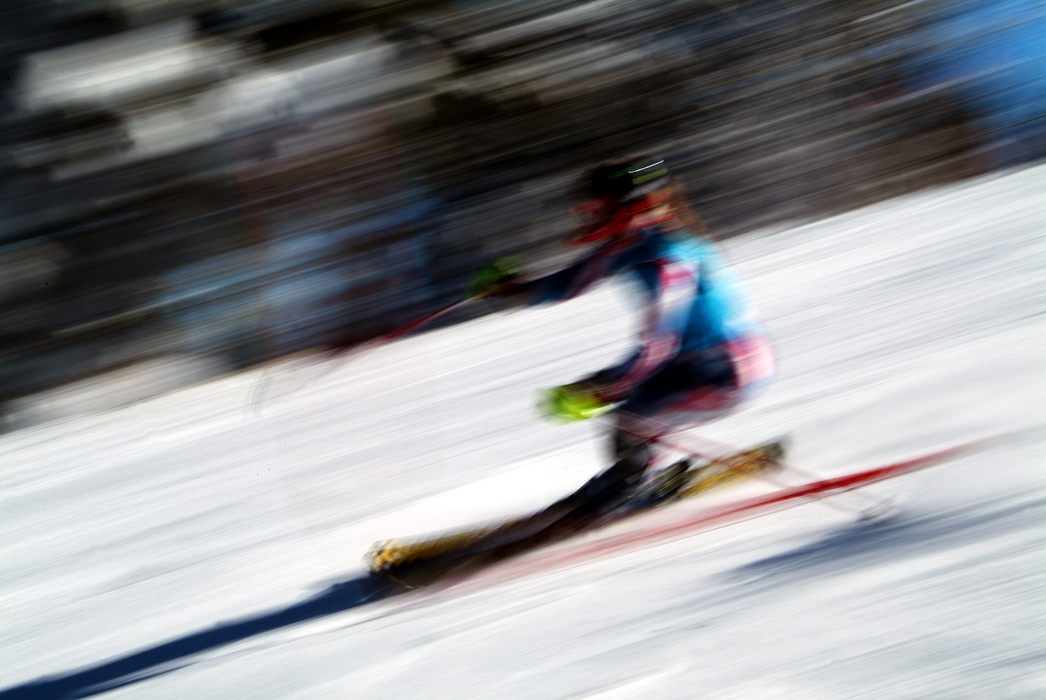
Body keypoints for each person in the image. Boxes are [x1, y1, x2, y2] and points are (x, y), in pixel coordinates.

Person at [468, 156, 775, 517]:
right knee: (633, 414)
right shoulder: (630, 243)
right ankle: (639, 480)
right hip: (693, 366)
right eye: (584, 209)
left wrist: (602, 387)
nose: (587, 217)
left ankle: (629, 489)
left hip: (728, 373)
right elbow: (570, 282)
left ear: (630, 207)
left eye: (595, 208)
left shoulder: (666, 258)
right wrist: (512, 292)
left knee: (633, 415)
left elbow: (660, 343)